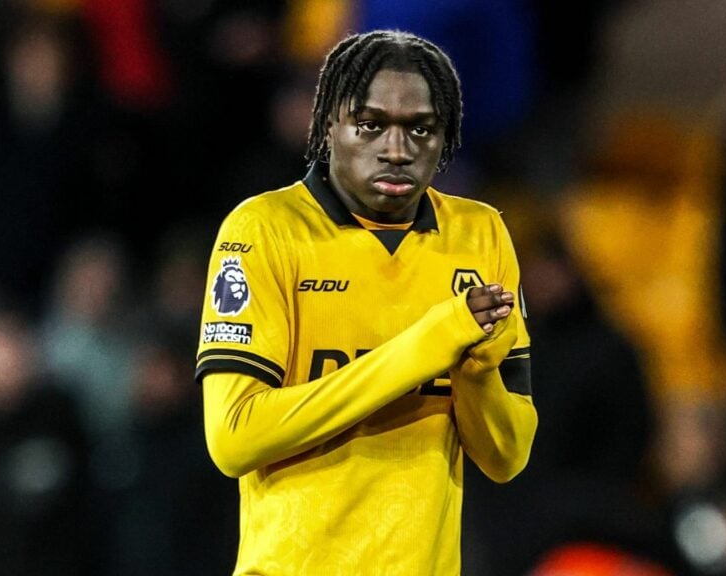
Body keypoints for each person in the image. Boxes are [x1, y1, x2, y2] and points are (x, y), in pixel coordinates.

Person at [195, 30, 538, 575]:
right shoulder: (264, 230)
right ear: (331, 124)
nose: (397, 150)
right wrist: (431, 343)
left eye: (420, 128)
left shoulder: (481, 235)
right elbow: (234, 437)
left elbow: (507, 457)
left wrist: (474, 371)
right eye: (371, 124)